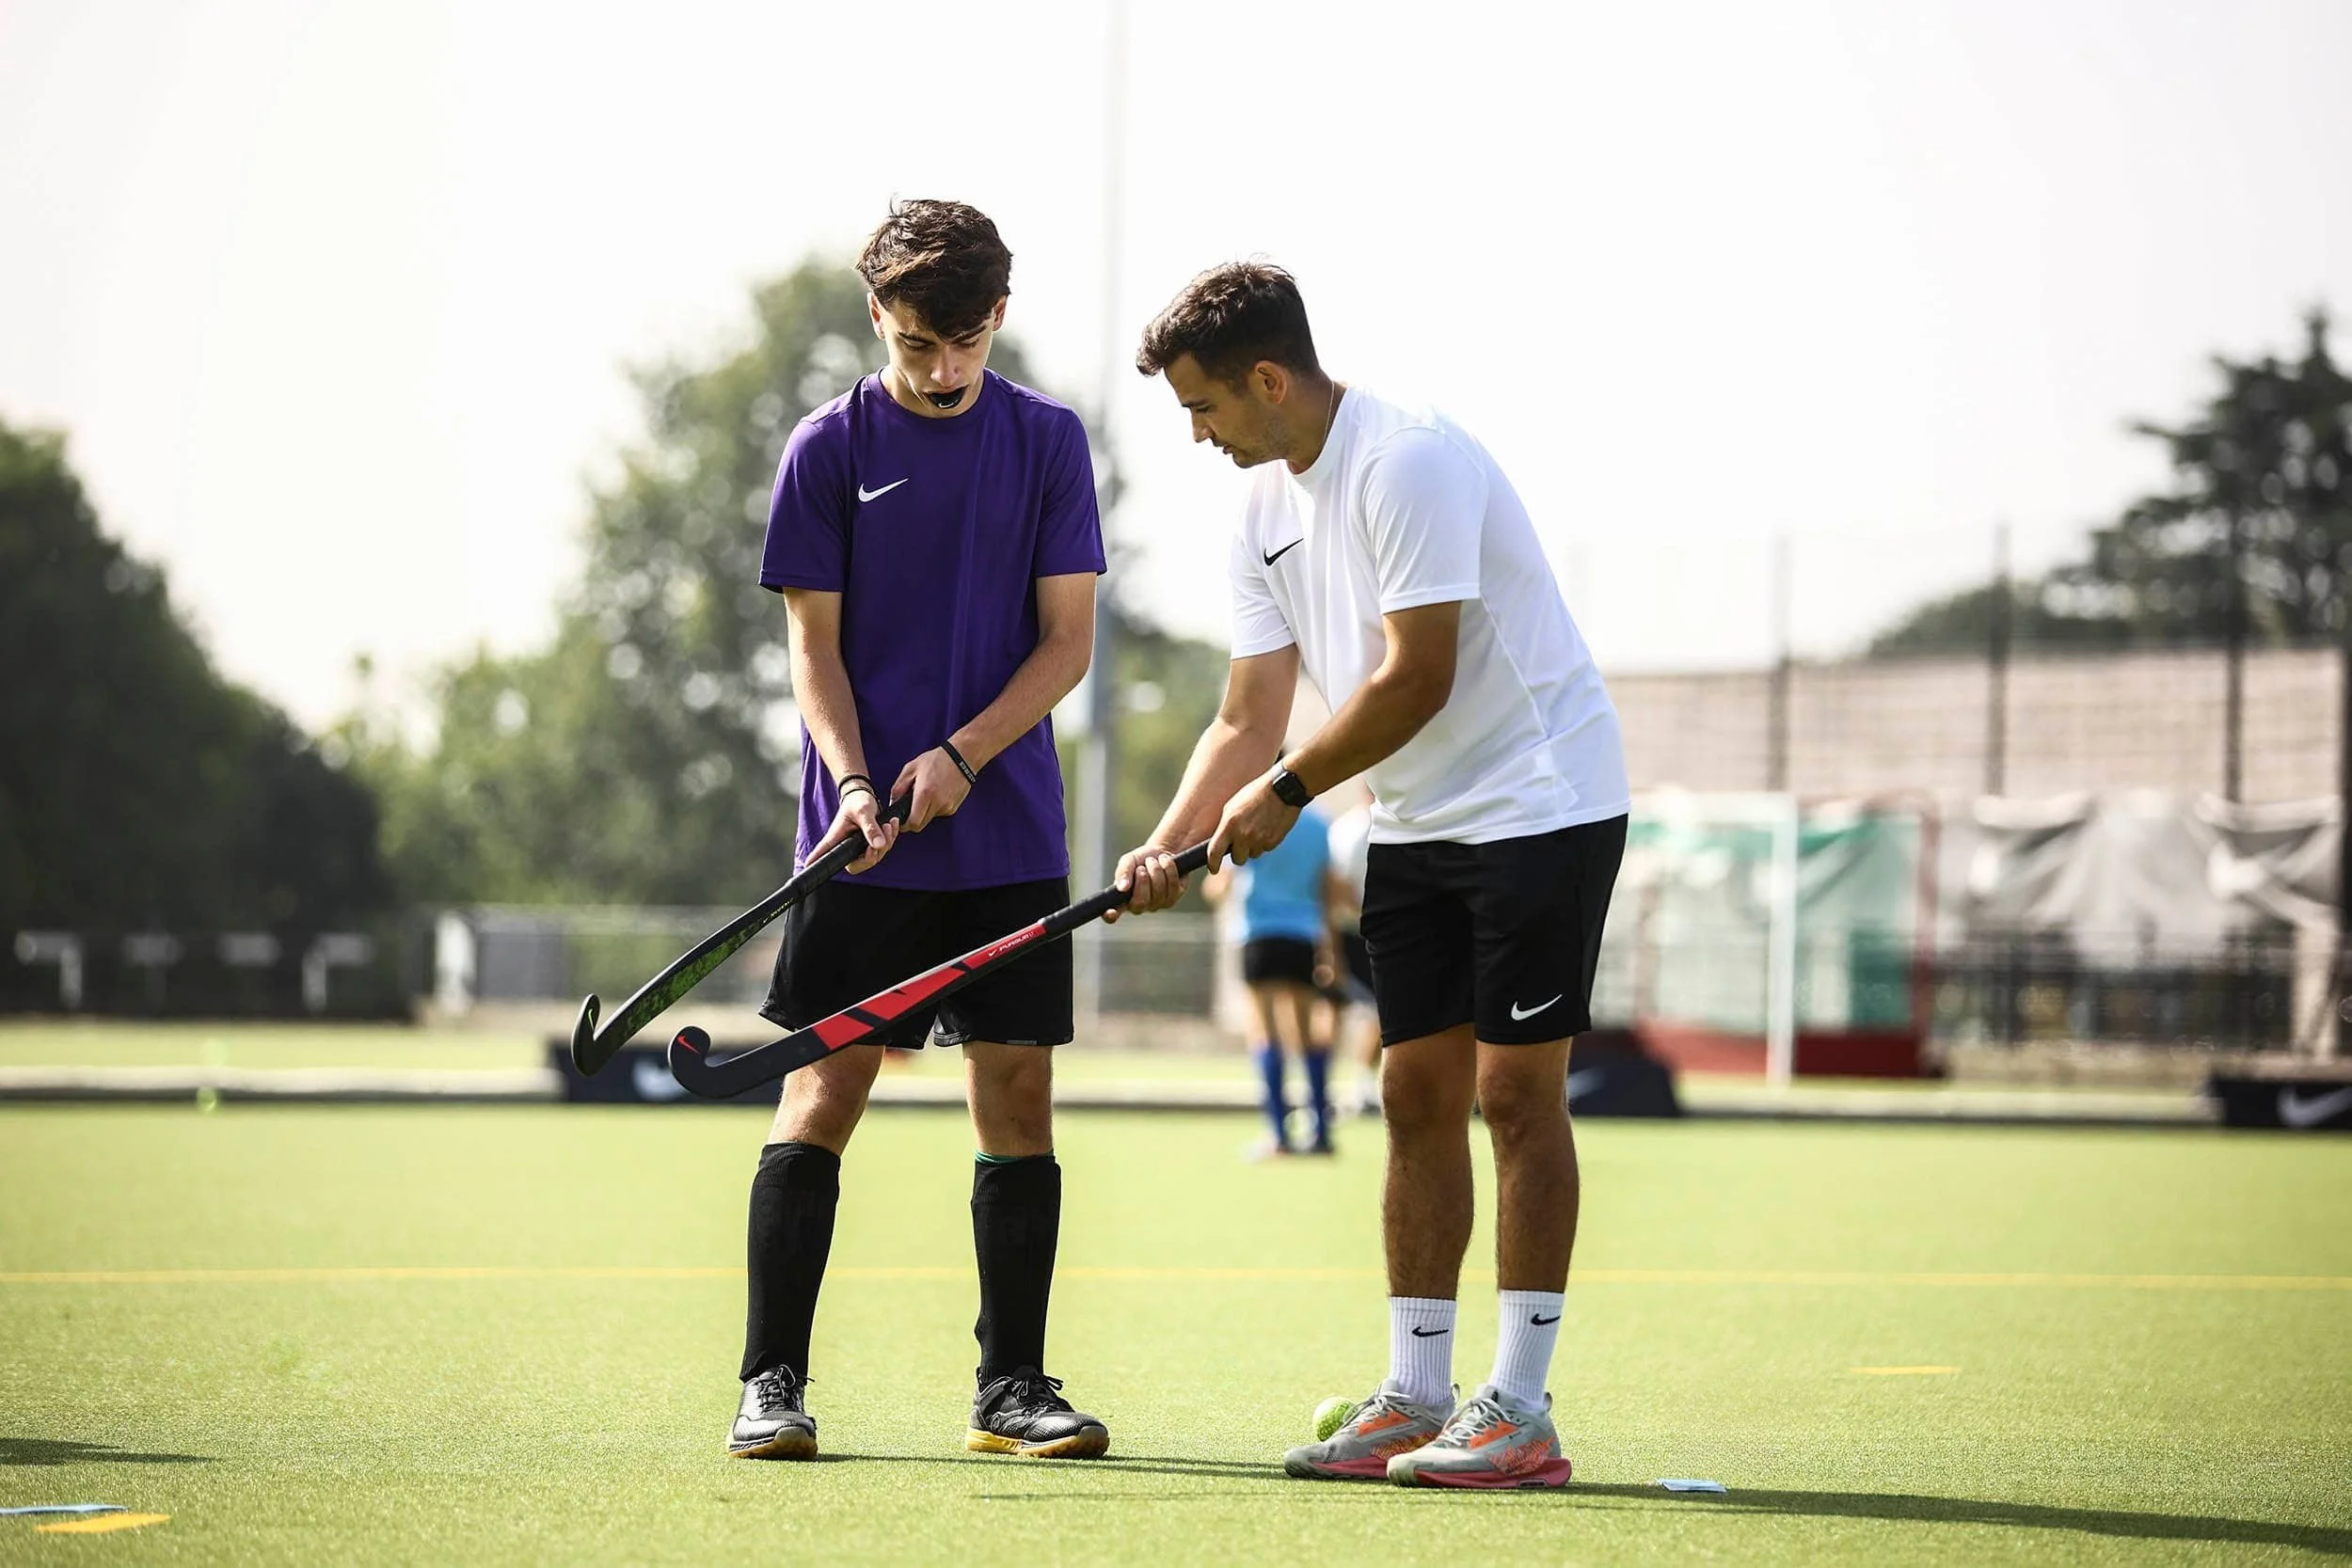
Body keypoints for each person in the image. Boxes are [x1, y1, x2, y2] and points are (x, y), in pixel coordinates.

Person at [1109, 262, 1628, 1490]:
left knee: (1512, 1094)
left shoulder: (1410, 461)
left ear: (1270, 379)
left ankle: (1522, 1405)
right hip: (1415, 819)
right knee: (1410, 1094)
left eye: (1206, 406)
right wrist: (1165, 839)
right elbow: (1248, 711)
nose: (1199, 433)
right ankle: (1416, 1390)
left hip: (1543, 799)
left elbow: (1417, 674)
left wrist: (1285, 793)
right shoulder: (1259, 511)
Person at [730, 199, 1110, 1465]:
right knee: (824, 1084)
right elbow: (812, 647)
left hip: (1005, 835)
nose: (943, 370)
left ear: (998, 314)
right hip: (861, 844)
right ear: (877, 317)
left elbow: (1068, 644)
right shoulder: (825, 449)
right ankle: (770, 1383)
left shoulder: (1050, 442)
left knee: (1015, 1089)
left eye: (964, 342)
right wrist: (851, 782)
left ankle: (1011, 1387)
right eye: (916, 346)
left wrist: (959, 756)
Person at [1205, 794, 1335, 1156]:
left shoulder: (1248, 817)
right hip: (1303, 934)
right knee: (1306, 1033)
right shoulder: (1318, 823)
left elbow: (1220, 885)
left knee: (1265, 1032)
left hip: (1259, 933)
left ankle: (1279, 1135)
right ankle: (1321, 1132)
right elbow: (1325, 888)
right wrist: (1331, 949)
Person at [1323, 788, 1383, 1117]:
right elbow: (1338, 888)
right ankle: (1354, 1087)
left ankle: (1327, 1089)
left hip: (1347, 931)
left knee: (1336, 1009)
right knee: (1378, 1009)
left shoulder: (1343, 826)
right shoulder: (1362, 828)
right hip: (1356, 932)